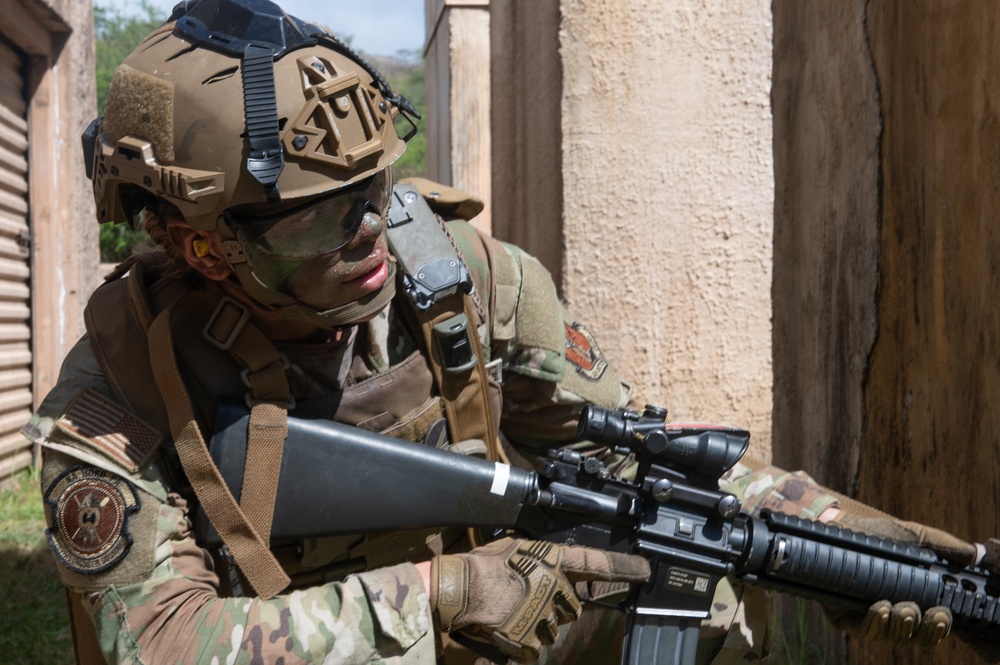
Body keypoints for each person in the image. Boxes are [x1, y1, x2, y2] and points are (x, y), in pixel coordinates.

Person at [24, 1, 997, 663]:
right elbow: (158, 641)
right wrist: (439, 595)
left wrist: (839, 534)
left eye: (377, 185)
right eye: (322, 211)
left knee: (717, 600)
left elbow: (634, 463)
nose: (372, 228)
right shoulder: (115, 403)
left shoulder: (465, 278)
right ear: (197, 243)